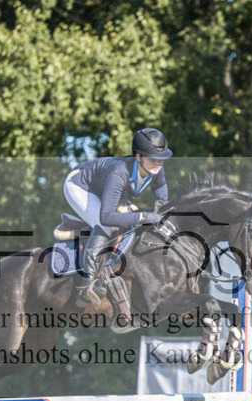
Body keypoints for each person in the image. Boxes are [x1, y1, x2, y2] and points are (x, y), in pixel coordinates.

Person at [64, 128, 172, 307]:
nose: (158, 163)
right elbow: (107, 217)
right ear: (138, 157)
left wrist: (163, 213)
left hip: (104, 189)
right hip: (80, 185)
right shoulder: (119, 173)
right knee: (104, 226)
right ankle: (87, 284)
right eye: (153, 158)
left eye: (161, 159)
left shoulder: (156, 170)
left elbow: (162, 197)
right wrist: (143, 216)